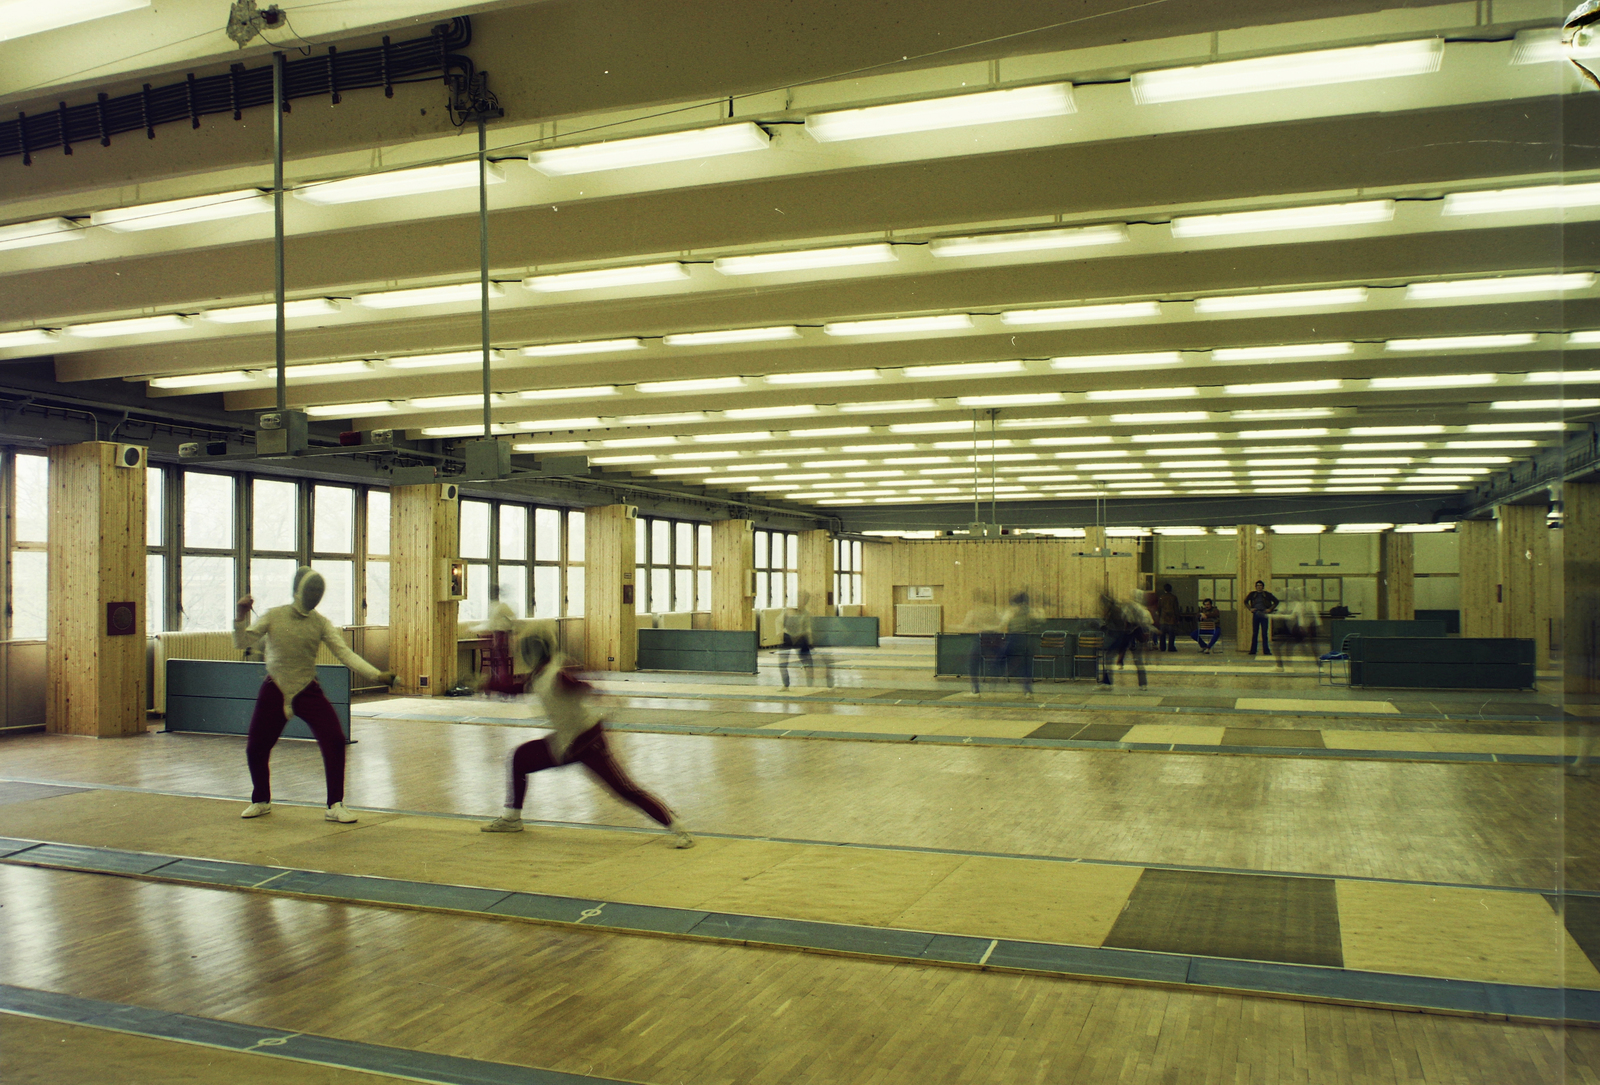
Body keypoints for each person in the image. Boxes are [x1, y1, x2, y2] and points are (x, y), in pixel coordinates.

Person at [480, 630, 694, 847]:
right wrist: (489, 682)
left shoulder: (553, 674)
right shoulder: (539, 676)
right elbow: (514, 689)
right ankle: (511, 819)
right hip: (565, 742)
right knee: (521, 757)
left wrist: (598, 693)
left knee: (626, 790)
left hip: (587, 743)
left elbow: (575, 685)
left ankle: (679, 828)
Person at [234, 566, 394, 822]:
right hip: (274, 688)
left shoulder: (320, 623)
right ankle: (261, 800)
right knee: (256, 748)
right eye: (311, 589)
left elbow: (345, 653)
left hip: (307, 689)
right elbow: (241, 642)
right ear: (299, 590)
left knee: (334, 739)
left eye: (319, 591)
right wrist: (241, 615)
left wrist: (377, 675)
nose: (315, 595)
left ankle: (335, 804)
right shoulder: (275, 616)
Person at [1099, 590, 1150, 689]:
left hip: (1127, 635)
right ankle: (1143, 684)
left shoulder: (1129, 607)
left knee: (1110, 656)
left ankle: (1107, 682)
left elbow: (1123, 619)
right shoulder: (1143, 610)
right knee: (1138, 661)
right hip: (1136, 636)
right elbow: (1147, 622)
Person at [477, 583, 521, 696]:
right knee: (497, 660)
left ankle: (504, 682)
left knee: (501, 660)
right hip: (497, 635)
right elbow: (491, 623)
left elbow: (511, 617)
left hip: (501, 635)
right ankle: (498, 682)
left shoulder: (502, 606)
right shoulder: (494, 606)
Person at [999, 591, 1044, 694]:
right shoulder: (1029, 610)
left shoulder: (1013, 611)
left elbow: (1003, 622)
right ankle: (1027, 690)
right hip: (1027, 638)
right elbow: (1040, 620)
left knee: (1002, 656)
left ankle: (1005, 673)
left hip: (1015, 637)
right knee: (1026, 665)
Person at [779, 593, 827, 687]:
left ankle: (810, 685)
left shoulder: (805, 613)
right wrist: (781, 636)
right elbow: (781, 623)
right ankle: (785, 685)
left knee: (808, 663)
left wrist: (810, 642)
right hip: (788, 637)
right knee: (782, 663)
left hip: (800, 639)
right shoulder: (786, 612)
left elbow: (807, 628)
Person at [1243, 579, 1279, 656]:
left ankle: (1266, 650)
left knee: (1264, 633)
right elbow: (1245, 601)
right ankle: (1253, 650)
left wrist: (1270, 609)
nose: (1259, 587)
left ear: (1263, 587)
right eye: (1257, 586)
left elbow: (1276, 601)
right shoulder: (1252, 594)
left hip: (1264, 613)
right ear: (1255, 587)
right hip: (1256, 613)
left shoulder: (1267, 594)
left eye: (1260, 586)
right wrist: (1250, 608)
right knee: (1255, 633)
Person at [1155, 583, 1180, 652]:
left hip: (1163, 618)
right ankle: (1171, 647)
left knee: (1162, 635)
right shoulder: (1174, 597)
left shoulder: (1161, 597)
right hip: (1172, 619)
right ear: (1171, 589)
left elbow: (1159, 608)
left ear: (1164, 589)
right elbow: (1176, 609)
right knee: (1171, 634)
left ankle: (1162, 648)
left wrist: (1159, 617)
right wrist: (1177, 618)